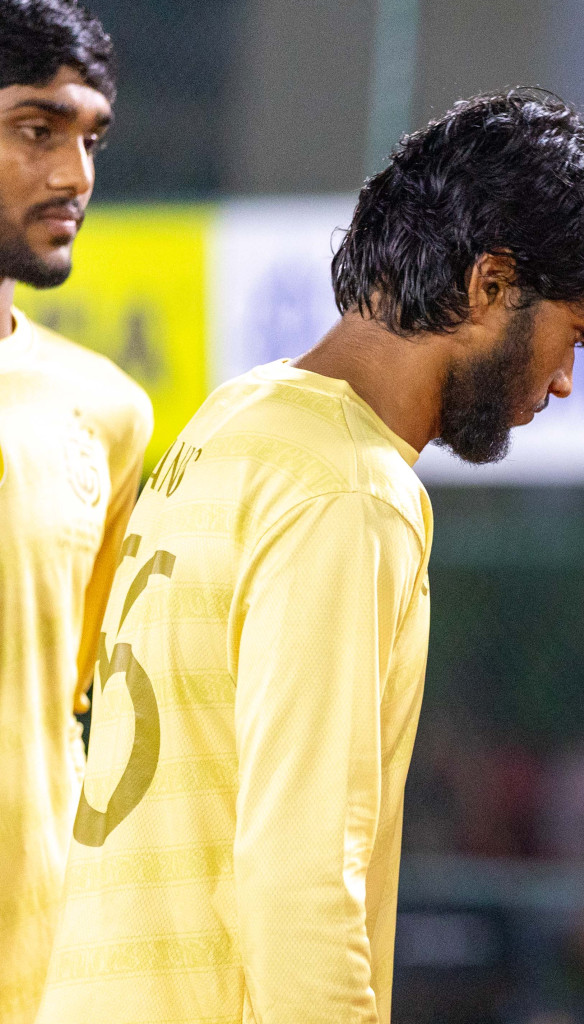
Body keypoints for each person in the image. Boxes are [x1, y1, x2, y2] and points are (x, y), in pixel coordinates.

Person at [37, 89, 584, 1022]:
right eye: (573, 335)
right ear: (490, 285)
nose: (567, 380)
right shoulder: (351, 490)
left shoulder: (241, 415)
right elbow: (297, 880)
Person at [0, 4, 152, 1021]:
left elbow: (76, 709)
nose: (75, 176)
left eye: (91, 138)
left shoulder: (109, 411)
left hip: (40, 966)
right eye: (37, 129)